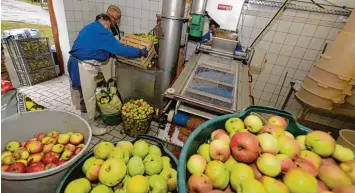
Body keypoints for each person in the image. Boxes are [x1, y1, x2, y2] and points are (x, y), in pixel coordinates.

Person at [67, 14, 148, 136]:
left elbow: (93, 47)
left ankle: (86, 118)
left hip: (73, 62)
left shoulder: (89, 27)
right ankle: (89, 127)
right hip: (83, 67)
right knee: (88, 97)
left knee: (82, 94)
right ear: (105, 22)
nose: (110, 29)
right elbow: (120, 49)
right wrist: (139, 52)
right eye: (110, 25)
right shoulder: (102, 31)